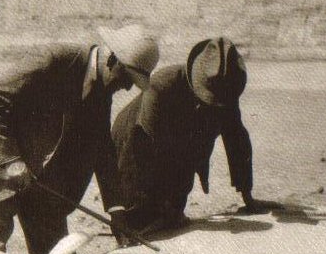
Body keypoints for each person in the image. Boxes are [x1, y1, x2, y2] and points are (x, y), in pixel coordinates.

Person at [0, 24, 160, 254]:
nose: (127, 87)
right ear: (112, 61)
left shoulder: (101, 87)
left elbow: (102, 145)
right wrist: (11, 160)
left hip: (41, 174)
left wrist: (116, 210)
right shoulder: (54, 59)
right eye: (127, 78)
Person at [111, 37, 276, 233]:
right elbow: (144, 146)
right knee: (139, 219)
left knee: (173, 215)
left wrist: (248, 197)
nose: (212, 105)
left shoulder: (224, 91)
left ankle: (164, 210)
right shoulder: (163, 86)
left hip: (179, 148)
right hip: (132, 142)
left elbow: (237, 140)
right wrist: (142, 202)